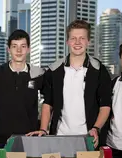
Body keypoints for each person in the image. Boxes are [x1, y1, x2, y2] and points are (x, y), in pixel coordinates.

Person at [27, 19, 112, 148]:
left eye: (82, 38)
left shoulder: (100, 70)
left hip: (88, 138)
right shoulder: (54, 70)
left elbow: (105, 105)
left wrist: (96, 128)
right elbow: (48, 103)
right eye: (73, 38)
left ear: (88, 41)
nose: (77, 42)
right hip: (59, 136)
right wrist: (44, 130)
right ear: (67, 41)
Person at [0, 29, 45, 149]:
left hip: (30, 136)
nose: (18, 50)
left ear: (28, 49)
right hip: (3, 138)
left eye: (23, 46)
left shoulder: (37, 74)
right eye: (14, 46)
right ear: (9, 49)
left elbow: (49, 101)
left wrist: (43, 128)